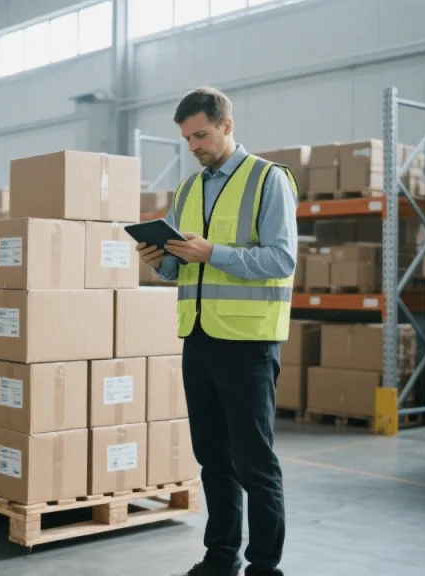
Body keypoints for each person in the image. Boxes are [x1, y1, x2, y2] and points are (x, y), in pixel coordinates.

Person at [138, 86, 298, 576]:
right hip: (200, 338)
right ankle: (221, 556)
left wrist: (214, 253)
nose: (194, 147)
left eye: (201, 135)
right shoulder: (188, 190)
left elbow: (282, 258)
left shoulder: (268, 179)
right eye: (187, 139)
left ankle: (265, 566)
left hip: (248, 342)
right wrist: (159, 262)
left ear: (227, 126)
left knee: (255, 460)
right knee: (212, 457)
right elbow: (184, 270)